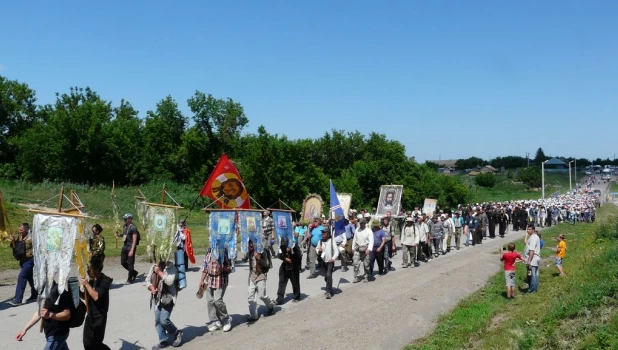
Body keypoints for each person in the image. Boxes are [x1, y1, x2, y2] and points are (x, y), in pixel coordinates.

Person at [16, 281, 72, 349]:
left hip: (58, 334)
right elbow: (40, 312)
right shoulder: (44, 290)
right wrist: (24, 329)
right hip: (50, 333)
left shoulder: (59, 291)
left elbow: (67, 315)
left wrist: (50, 315)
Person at [147, 259, 183, 349]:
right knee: (158, 320)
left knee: (164, 320)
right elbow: (147, 279)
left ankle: (176, 333)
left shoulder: (171, 267)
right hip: (157, 298)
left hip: (168, 297)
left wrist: (159, 271)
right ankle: (163, 340)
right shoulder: (154, 266)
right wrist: (151, 288)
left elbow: (170, 281)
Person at [81, 257, 113, 350]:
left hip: (100, 316)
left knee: (96, 343)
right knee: (87, 342)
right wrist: (76, 291)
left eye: (91, 268)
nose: (89, 270)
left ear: (98, 269)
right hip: (90, 315)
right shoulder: (91, 281)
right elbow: (86, 297)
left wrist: (86, 284)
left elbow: (96, 297)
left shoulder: (105, 281)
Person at [200, 248, 233, 332]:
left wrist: (224, 268)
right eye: (209, 240)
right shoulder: (208, 253)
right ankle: (215, 321)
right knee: (210, 301)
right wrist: (202, 280)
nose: (210, 242)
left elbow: (230, 267)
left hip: (220, 280)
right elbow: (205, 268)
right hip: (210, 280)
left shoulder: (223, 252)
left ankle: (226, 319)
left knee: (217, 300)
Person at [9, 223, 37, 306]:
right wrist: (13, 241)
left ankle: (18, 299)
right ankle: (35, 294)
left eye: (21, 229)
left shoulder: (32, 236)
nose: (20, 230)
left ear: (26, 229)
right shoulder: (20, 237)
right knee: (30, 277)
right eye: (19, 229)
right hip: (23, 261)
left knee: (22, 277)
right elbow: (16, 248)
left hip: (30, 260)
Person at [246, 240, 274, 321]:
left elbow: (267, 264)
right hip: (252, 276)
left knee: (261, 295)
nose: (250, 248)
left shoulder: (263, 252)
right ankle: (253, 316)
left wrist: (259, 258)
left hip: (261, 274)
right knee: (250, 298)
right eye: (249, 246)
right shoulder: (250, 252)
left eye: (251, 246)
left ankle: (270, 306)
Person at [276, 237, 301, 305]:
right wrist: (285, 259)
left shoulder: (294, 245)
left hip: (294, 266)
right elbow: (279, 255)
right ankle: (279, 299)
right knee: (282, 282)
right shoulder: (281, 245)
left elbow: (299, 256)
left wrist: (291, 253)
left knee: (295, 282)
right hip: (285, 265)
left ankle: (297, 297)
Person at [316, 227, 338, 299]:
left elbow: (336, 252)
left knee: (328, 275)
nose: (323, 234)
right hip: (323, 261)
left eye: (324, 233)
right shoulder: (320, 241)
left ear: (328, 234)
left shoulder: (332, 241)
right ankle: (330, 288)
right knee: (326, 276)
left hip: (330, 261)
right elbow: (317, 249)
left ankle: (328, 292)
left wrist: (333, 258)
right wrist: (319, 250)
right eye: (322, 233)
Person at [118, 213, 139, 284]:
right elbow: (125, 235)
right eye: (124, 219)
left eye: (125, 219)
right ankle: (134, 272)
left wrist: (132, 250)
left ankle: (130, 278)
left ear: (130, 219)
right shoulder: (125, 226)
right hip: (125, 247)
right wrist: (119, 235)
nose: (124, 220)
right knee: (123, 262)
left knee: (130, 264)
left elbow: (134, 239)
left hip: (130, 247)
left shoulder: (133, 227)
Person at [525, 225, 541, 293]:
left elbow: (532, 250)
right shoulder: (533, 237)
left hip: (533, 258)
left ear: (533, 230)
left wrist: (529, 260)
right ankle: (535, 288)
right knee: (535, 274)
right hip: (535, 258)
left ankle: (532, 290)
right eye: (527, 229)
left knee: (532, 275)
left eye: (529, 229)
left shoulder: (533, 238)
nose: (528, 230)